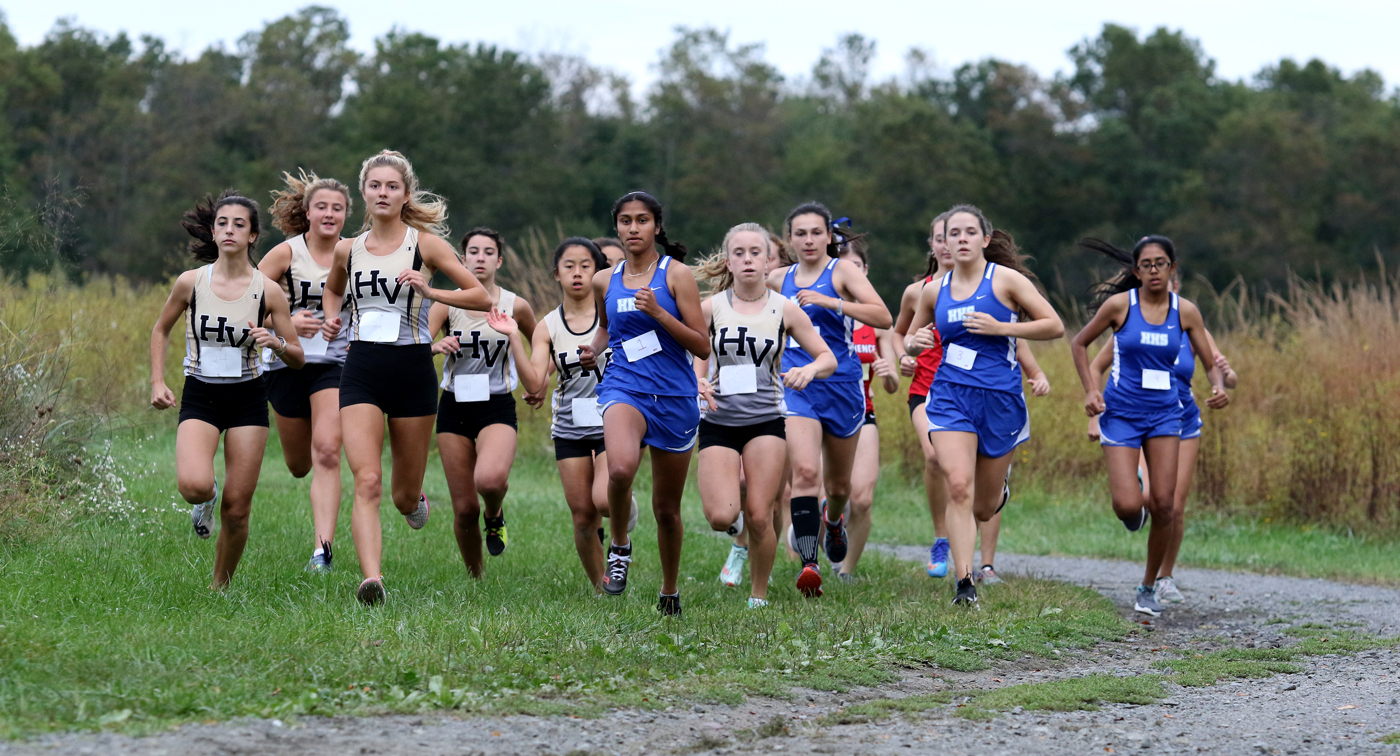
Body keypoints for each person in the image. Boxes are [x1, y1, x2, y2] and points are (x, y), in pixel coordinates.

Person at [319, 150, 492, 606]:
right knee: (368, 480)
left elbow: (477, 295)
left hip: (413, 370)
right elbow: (332, 289)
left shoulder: (425, 245)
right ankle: (371, 579)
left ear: (405, 194)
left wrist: (430, 290)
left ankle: (415, 500)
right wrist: (333, 318)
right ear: (363, 192)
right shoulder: (347, 249)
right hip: (361, 371)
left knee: (400, 494)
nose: (382, 193)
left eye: (391, 186)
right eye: (375, 185)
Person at [905, 205, 1064, 607]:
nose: (960, 239)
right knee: (957, 485)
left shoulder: (1006, 281)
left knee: (983, 505)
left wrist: (1003, 327)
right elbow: (910, 335)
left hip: (1000, 400)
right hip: (950, 396)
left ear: (985, 239)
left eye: (969, 232)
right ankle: (964, 585)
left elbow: (1054, 324)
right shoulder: (933, 290)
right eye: (952, 233)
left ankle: (998, 491)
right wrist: (913, 345)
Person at [149, 190, 305, 588]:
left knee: (237, 510)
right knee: (193, 486)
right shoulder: (191, 283)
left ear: (253, 236)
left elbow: (298, 357)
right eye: (223, 223)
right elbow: (161, 329)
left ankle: (220, 586)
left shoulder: (268, 291)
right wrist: (157, 382)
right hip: (201, 394)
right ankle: (207, 496)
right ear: (214, 232)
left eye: (240, 224)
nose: (230, 230)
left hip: (248, 398)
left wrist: (277, 343)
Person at [1070, 235, 1229, 617]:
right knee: (1127, 505)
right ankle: (1134, 513)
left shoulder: (1186, 312)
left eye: (1161, 263)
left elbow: (1210, 362)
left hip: (1165, 415)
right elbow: (1079, 345)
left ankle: (1148, 586)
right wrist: (1091, 392)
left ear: (1172, 268)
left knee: (1166, 505)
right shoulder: (1119, 307)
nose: (1154, 270)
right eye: (1146, 264)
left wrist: (1219, 386)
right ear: (1136, 270)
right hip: (1122, 414)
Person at [578, 191, 710, 616]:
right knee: (618, 468)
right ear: (616, 225)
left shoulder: (677, 276)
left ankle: (669, 589)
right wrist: (593, 349)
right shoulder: (605, 279)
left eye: (642, 221)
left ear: (656, 226)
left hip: (674, 396)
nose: (633, 229)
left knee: (666, 510)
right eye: (625, 221)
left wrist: (659, 313)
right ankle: (619, 544)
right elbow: (606, 330)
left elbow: (701, 347)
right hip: (624, 387)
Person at [694, 223, 836, 606]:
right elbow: (691, 351)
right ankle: (732, 527)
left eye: (755, 253)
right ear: (729, 261)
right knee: (721, 517)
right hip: (719, 421)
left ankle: (758, 595)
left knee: (761, 515)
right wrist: (698, 382)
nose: (748, 260)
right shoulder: (712, 307)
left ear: (768, 260)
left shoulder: (784, 308)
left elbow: (828, 357)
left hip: (766, 421)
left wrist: (809, 370)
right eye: (739, 253)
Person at [768, 204, 891, 598]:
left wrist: (830, 303)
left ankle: (833, 521)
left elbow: (882, 316)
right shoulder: (776, 279)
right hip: (797, 384)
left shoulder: (841, 272)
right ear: (789, 239)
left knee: (839, 487)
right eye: (800, 233)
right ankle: (809, 565)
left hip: (842, 385)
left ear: (827, 237)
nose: (808, 240)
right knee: (804, 474)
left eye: (815, 233)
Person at [518, 237, 636, 589]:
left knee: (602, 501)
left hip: (611, 420)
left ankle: (622, 506)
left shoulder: (616, 316)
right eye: (569, 266)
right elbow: (536, 378)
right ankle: (603, 588)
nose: (578, 273)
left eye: (586, 265)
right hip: (569, 427)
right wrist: (512, 338)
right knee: (583, 516)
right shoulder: (548, 326)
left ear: (599, 272)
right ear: (556, 274)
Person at [427, 227, 537, 576]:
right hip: (455, 405)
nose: (480, 258)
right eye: (473, 251)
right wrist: (436, 347)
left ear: (499, 260)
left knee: (489, 481)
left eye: (488, 252)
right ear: (462, 259)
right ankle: (476, 578)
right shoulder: (447, 303)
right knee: (462, 509)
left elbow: (544, 344)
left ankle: (495, 514)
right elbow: (417, 345)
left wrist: (538, 383)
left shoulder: (515, 305)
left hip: (496, 405)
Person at [259, 170, 352, 574]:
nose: (329, 214)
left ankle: (322, 552)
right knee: (300, 464)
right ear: (308, 212)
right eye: (322, 207)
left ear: (347, 214)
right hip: (285, 363)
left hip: (335, 364)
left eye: (338, 208)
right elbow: (243, 304)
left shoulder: (356, 252)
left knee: (328, 452)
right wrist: (288, 322)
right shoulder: (285, 254)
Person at [831, 235, 899, 580]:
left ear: (865, 271)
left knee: (862, 498)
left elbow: (892, 385)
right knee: (818, 491)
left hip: (863, 412)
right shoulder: (819, 313)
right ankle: (821, 537)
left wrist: (889, 374)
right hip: (820, 411)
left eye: (855, 267)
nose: (849, 274)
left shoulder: (876, 322)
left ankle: (846, 570)